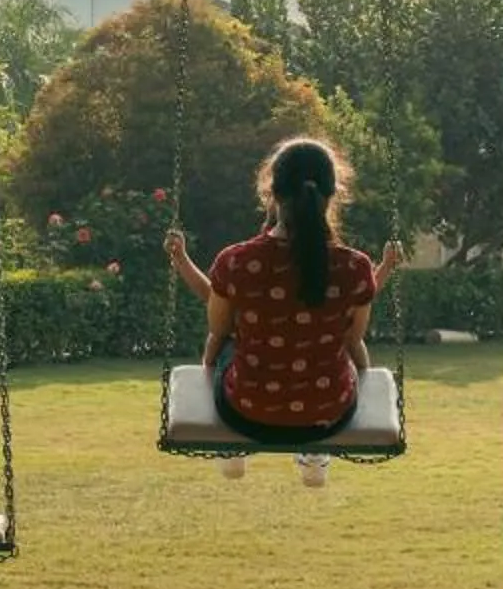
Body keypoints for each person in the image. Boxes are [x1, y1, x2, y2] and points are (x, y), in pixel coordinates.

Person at [163, 138, 401, 486]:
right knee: (342, 353)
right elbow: (354, 336)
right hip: (329, 414)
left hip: (245, 412)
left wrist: (182, 261)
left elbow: (218, 324)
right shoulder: (354, 267)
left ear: (271, 193)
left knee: (225, 342)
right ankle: (314, 453)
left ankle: (232, 450)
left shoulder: (237, 261)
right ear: (332, 195)